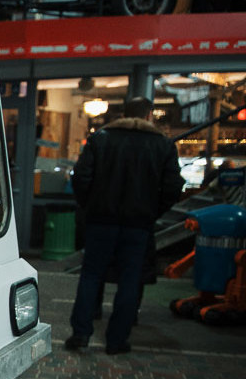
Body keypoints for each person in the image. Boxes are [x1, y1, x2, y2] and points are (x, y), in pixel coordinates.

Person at [66, 96, 183, 355]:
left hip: (101, 221)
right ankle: (117, 340)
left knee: (91, 275)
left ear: (123, 113)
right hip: (138, 224)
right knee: (130, 280)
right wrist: (153, 211)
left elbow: (81, 177)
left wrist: (91, 205)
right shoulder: (162, 145)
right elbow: (174, 187)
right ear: (149, 115)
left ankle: (81, 333)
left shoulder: (101, 139)